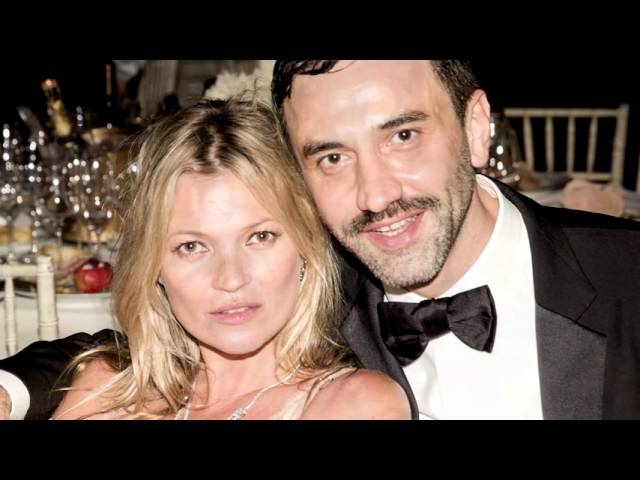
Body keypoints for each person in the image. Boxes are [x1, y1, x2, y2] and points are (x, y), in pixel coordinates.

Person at [2, 60, 640, 419]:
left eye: (403, 136)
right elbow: (136, 344)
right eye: (332, 156)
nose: (376, 195)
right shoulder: (319, 286)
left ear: (476, 128)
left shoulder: (626, 279)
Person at [3, 97, 410, 420]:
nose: (230, 278)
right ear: (153, 267)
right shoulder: (106, 389)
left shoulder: (355, 403)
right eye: (192, 247)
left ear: (305, 247)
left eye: (260, 237)